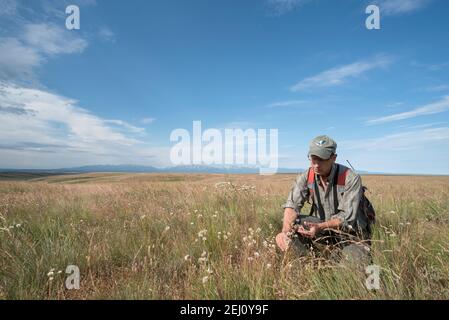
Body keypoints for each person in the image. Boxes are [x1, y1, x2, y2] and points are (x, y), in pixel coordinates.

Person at [276, 135, 372, 264]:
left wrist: (320, 226)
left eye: (321, 159)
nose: (316, 165)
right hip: (322, 228)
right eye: (313, 159)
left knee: (350, 272)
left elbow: (347, 218)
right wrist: (285, 232)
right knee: (291, 226)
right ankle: (310, 263)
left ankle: (341, 256)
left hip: (351, 234)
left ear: (333, 158)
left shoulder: (350, 178)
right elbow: (292, 206)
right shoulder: (306, 176)